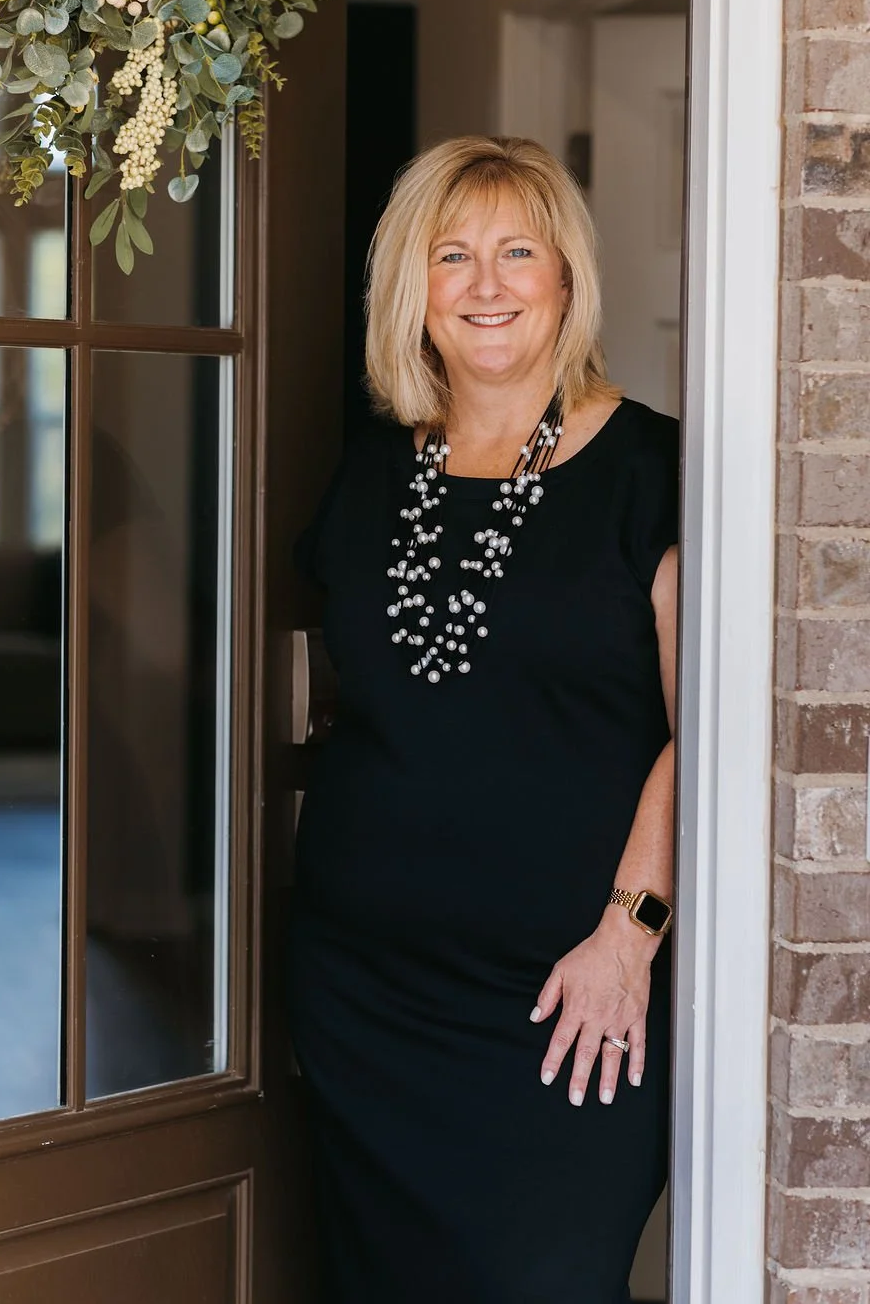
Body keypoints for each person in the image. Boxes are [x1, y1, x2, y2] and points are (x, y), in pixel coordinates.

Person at [288, 135, 678, 1304]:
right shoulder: (367, 476)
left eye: (519, 251)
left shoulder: (652, 470)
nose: (488, 284)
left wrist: (632, 930)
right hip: (366, 993)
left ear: (566, 278)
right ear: (412, 292)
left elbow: (702, 735)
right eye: (451, 256)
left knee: (541, 1274)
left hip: (567, 990)